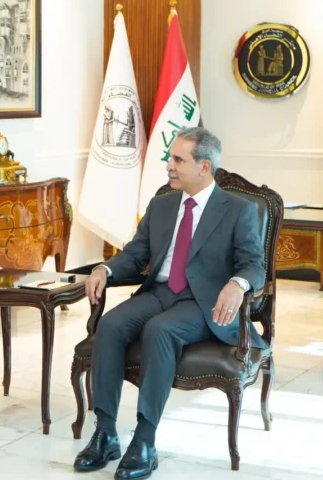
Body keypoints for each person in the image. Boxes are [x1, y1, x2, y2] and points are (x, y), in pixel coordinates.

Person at [73, 127, 265, 479]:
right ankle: (106, 433)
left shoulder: (239, 210)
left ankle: (145, 441)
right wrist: (104, 268)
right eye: (170, 157)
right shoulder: (161, 204)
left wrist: (237, 284)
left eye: (178, 159)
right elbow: (135, 254)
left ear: (204, 167)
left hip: (201, 302)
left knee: (160, 330)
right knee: (111, 324)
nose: (168, 165)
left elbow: (253, 264)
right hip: (160, 292)